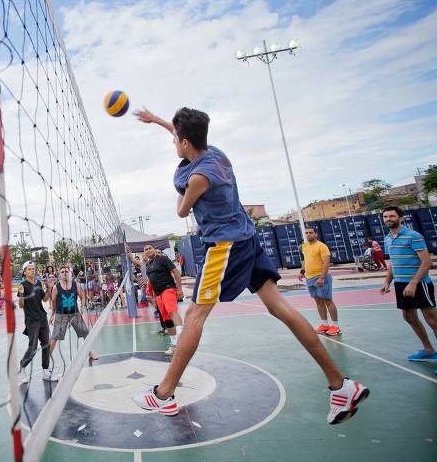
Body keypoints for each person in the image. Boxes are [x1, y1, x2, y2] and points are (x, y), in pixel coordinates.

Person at [129, 107, 367, 424]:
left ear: (186, 143)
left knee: (195, 314)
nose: (174, 144)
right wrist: (155, 120)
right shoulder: (216, 154)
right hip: (248, 239)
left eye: (177, 141)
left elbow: (182, 211)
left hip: (225, 247)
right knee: (280, 307)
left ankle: (164, 393)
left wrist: (178, 185)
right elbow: (176, 132)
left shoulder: (198, 178)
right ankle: (341, 386)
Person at [380, 205, 437, 362]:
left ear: (401, 218)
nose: (388, 219)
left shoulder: (413, 235)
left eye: (392, 216)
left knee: (432, 319)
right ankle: (428, 350)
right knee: (409, 317)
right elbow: (393, 262)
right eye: (386, 217)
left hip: (419, 283)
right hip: (400, 283)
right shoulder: (388, 238)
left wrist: (413, 283)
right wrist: (387, 281)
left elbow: (426, 262)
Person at [48, 264, 98, 363]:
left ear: (70, 273)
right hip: (60, 315)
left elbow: (83, 296)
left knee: (85, 333)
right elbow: (53, 302)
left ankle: (90, 352)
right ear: (59, 274)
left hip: (75, 313)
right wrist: (52, 315)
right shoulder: (56, 287)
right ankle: (47, 357)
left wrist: (83, 306)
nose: (64, 273)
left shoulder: (76, 285)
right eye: (62, 272)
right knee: (54, 337)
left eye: (66, 271)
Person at [17, 261, 57, 384]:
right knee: (33, 347)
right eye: (29, 269)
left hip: (42, 318)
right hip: (31, 320)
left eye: (33, 269)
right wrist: (22, 295)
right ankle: (22, 367)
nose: (32, 271)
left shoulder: (38, 282)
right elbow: (21, 305)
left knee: (46, 345)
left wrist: (49, 288)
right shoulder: (22, 285)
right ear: (24, 272)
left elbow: (45, 299)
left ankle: (45, 371)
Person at [143, 244, 185, 354]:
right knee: (166, 320)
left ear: (154, 250)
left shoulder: (162, 258)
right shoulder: (148, 265)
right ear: (145, 253)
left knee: (171, 311)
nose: (148, 250)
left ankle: (181, 335)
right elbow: (151, 282)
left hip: (168, 288)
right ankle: (174, 345)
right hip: (158, 294)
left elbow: (176, 272)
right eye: (146, 249)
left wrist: (179, 289)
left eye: (150, 248)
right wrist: (152, 297)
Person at [298, 227, 340, 336]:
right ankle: (325, 325)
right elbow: (305, 261)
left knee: (328, 301)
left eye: (311, 232)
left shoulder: (322, 246)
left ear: (315, 234)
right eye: (306, 233)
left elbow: (326, 263)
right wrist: (302, 271)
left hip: (321, 277)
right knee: (318, 301)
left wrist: (322, 278)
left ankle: (335, 326)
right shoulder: (304, 246)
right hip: (309, 278)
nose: (308, 234)